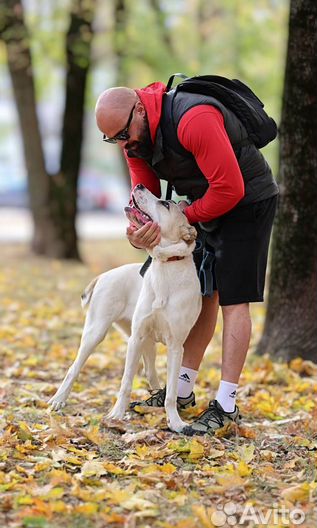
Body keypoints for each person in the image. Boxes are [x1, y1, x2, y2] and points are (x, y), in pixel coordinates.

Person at [95, 80, 279, 436]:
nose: (123, 144)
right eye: (113, 140)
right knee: (201, 292)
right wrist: (139, 232)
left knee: (234, 299)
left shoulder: (194, 118)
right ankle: (181, 392)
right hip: (195, 208)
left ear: (141, 111)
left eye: (123, 134)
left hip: (247, 201)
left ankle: (226, 404)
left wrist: (181, 221)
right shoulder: (134, 139)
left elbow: (230, 188)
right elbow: (143, 200)